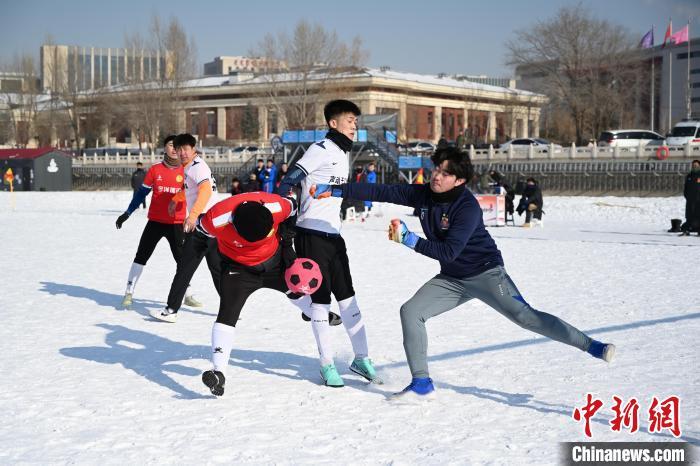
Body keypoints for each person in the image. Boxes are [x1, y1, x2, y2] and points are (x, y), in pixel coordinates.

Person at [309, 146, 615, 398]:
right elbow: (382, 190)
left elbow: (447, 252)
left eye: (444, 173)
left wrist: (410, 240)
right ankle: (422, 383)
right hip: (452, 280)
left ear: (459, 181)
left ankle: (591, 345)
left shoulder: (467, 207)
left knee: (526, 318)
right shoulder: (424, 194)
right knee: (411, 311)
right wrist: (334, 189)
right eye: (436, 169)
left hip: (486, 274)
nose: (436, 176)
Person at [277, 99, 379, 387]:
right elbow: (291, 178)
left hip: (334, 236)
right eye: (350, 120)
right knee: (320, 301)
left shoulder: (343, 152)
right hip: (311, 235)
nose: (354, 125)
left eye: (356, 121)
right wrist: (285, 210)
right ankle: (326, 364)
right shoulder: (320, 148)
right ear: (333, 123)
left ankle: (361, 358)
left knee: (348, 300)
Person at [198, 192, 327, 395]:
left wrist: (288, 232)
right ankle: (218, 372)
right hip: (238, 269)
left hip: (274, 262)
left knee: (295, 291)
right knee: (227, 314)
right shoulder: (216, 219)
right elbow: (201, 226)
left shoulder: (276, 206)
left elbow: (294, 206)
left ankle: (315, 314)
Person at [115, 135, 200, 308]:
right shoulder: (155, 170)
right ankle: (128, 293)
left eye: (178, 146)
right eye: (171, 145)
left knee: (183, 261)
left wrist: (194, 218)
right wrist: (128, 212)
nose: (175, 149)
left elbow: (197, 195)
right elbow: (141, 194)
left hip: (177, 224)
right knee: (141, 256)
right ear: (165, 148)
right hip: (155, 222)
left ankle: (188, 294)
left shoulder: (188, 171)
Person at [150, 133, 221, 323]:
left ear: (193, 150)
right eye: (179, 149)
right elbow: (191, 190)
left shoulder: (197, 168)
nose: (181, 153)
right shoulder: (192, 167)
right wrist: (176, 199)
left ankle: (171, 310)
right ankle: (232, 308)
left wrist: (193, 215)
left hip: (202, 225)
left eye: (185, 149)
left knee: (184, 269)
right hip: (213, 226)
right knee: (218, 270)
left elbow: (205, 191)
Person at [681, 160, 700, 236]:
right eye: (693, 165)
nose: (694, 167)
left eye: (696, 165)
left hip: (699, 200)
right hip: (690, 200)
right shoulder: (689, 176)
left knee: (698, 215)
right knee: (689, 215)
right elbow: (686, 188)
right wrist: (687, 196)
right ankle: (686, 231)